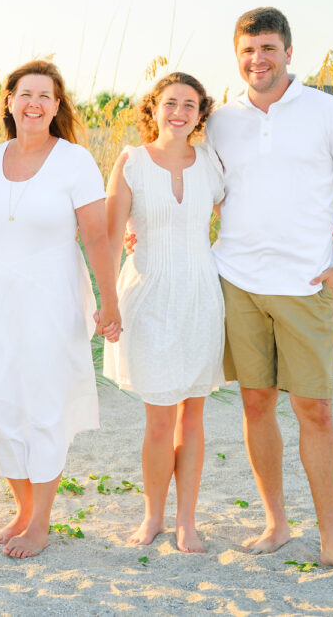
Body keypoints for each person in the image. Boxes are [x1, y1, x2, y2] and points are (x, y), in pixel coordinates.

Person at [210, 7, 333, 577]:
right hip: (237, 280)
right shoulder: (220, 118)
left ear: (288, 53)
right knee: (255, 403)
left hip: (306, 284)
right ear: (238, 55)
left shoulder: (328, 112)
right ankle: (276, 523)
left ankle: (331, 539)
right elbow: (199, 184)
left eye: (268, 49)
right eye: (248, 50)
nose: (258, 60)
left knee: (315, 410)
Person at [0, 60, 120, 559]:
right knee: (0, 405)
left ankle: (41, 521)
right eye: (25, 94)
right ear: (9, 100)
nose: (34, 103)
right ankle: (21, 508)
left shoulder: (75, 161)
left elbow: (97, 236)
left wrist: (109, 299)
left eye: (45, 96)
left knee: (45, 404)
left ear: (57, 106)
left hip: (53, 300)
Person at [103, 72, 224, 553]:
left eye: (189, 105)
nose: (179, 112)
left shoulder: (212, 163)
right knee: (158, 420)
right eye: (170, 102)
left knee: (192, 418)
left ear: (200, 114)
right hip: (148, 297)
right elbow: (112, 238)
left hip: (199, 296)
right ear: (152, 108)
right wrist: (107, 301)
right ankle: (153, 516)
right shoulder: (131, 161)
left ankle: (186, 522)